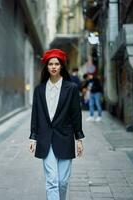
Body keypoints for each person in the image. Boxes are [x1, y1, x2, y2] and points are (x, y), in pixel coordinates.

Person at [29, 49, 85, 200]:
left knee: (62, 182)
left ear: (61, 67)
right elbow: (36, 114)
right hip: (45, 138)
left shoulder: (71, 88)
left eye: (57, 64)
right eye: (50, 64)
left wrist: (78, 139)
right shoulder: (39, 90)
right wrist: (33, 137)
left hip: (65, 138)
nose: (53, 66)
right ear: (47, 67)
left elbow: (76, 114)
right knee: (52, 181)